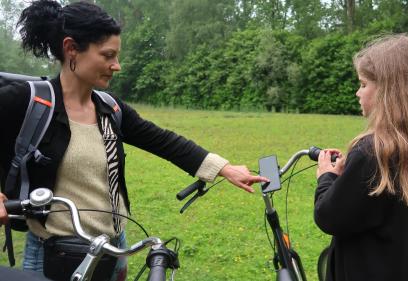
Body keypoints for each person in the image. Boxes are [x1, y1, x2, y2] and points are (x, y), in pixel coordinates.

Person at [0, 1, 267, 280]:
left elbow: (163, 140)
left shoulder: (109, 106)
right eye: (108, 55)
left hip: (114, 247)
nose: (117, 65)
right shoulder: (29, 101)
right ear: (71, 49)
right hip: (56, 256)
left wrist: (224, 168)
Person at [314, 34, 408, 281]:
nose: (357, 93)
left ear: (389, 91)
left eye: (363, 84)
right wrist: (348, 175)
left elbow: (328, 217)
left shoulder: (372, 152)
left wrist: (327, 176)